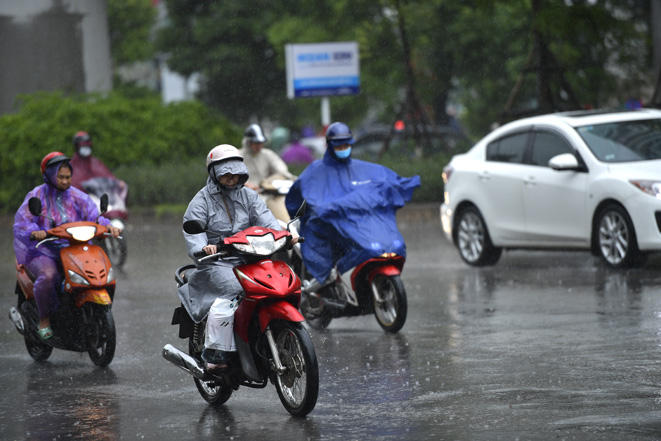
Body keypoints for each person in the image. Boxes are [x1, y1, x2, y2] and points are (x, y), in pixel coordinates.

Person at [177, 144, 296, 373]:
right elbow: (193, 233)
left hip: (251, 258)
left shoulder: (249, 195)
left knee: (279, 283)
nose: (232, 178)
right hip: (217, 263)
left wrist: (285, 236)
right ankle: (216, 353)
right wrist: (204, 248)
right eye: (226, 174)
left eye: (236, 173)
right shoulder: (200, 201)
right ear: (214, 173)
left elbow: (267, 220)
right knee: (235, 290)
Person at [285, 121, 420, 285]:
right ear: (330, 145)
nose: (343, 149)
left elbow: (387, 182)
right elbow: (296, 200)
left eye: (346, 145)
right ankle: (329, 281)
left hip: (361, 223)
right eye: (339, 146)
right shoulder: (316, 171)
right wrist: (311, 214)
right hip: (330, 225)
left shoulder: (366, 169)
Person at [13, 152, 121, 340]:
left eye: (68, 177)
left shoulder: (79, 197)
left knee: (95, 271)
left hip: (75, 248)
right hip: (44, 250)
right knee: (49, 276)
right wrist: (35, 230)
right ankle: (44, 319)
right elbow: (23, 221)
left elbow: (94, 217)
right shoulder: (36, 195)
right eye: (60, 177)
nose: (65, 181)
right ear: (49, 176)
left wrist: (107, 226)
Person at [239, 124, 295, 222]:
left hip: (267, 195)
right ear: (248, 142)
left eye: (260, 143)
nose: (259, 146)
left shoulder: (268, 155)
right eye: (255, 143)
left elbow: (282, 171)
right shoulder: (238, 156)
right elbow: (231, 176)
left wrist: (267, 184)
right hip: (243, 197)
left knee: (286, 222)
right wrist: (244, 184)